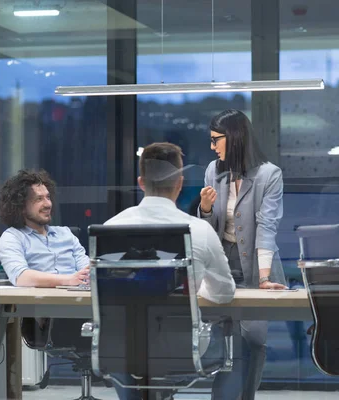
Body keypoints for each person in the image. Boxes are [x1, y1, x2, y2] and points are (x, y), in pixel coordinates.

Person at [104, 142, 244, 400]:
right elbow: (224, 294)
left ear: (141, 182)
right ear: (179, 184)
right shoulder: (199, 230)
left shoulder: (110, 228)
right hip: (181, 348)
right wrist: (193, 283)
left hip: (121, 348)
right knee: (242, 341)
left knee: (127, 354)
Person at [198, 109, 287, 400]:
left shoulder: (269, 174)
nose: (212, 147)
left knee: (254, 341)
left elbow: (267, 226)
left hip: (256, 264)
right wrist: (206, 209)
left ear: (234, 138)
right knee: (224, 340)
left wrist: (263, 278)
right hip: (223, 264)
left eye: (216, 140)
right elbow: (208, 230)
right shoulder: (214, 170)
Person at [0, 169, 90, 287]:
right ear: (21, 206)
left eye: (48, 197)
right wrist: (68, 280)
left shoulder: (66, 233)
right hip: (38, 303)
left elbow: (88, 270)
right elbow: (21, 277)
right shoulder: (12, 237)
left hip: (79, 301)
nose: (48, 204)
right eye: (39, 199)